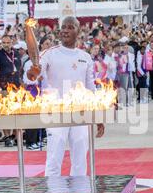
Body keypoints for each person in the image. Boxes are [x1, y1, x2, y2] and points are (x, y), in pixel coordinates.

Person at [27, 16, 105, 176]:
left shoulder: (85, 57)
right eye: (63, 27)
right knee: (54, 159)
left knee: (80, 161)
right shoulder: (49, 54)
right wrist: (32, 73)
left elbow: (91, 88)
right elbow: (32, 75)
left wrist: (98, 116)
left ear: (79, 31)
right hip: (56, 113)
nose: (65, 30)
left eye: (70, 27)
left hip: (80, 114)